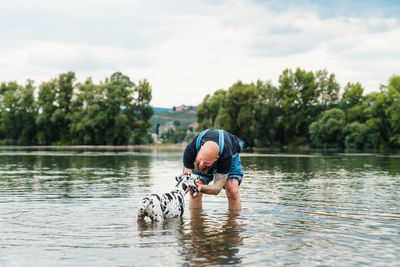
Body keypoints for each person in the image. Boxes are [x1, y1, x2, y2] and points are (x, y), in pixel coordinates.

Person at [183, 129, 244, 210]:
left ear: (216, 158)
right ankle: (195, 222)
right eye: (200, 159)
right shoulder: (190, 150)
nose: (201, 165)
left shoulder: (226, 156)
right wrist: (191, 186)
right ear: (201, 148)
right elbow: (187, 179)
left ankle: (232, 222)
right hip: (206, 155)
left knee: (232, 191)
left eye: (206, 163)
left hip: (231, 155)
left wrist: (201, 187)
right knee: (195, 194)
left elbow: (217, 189)